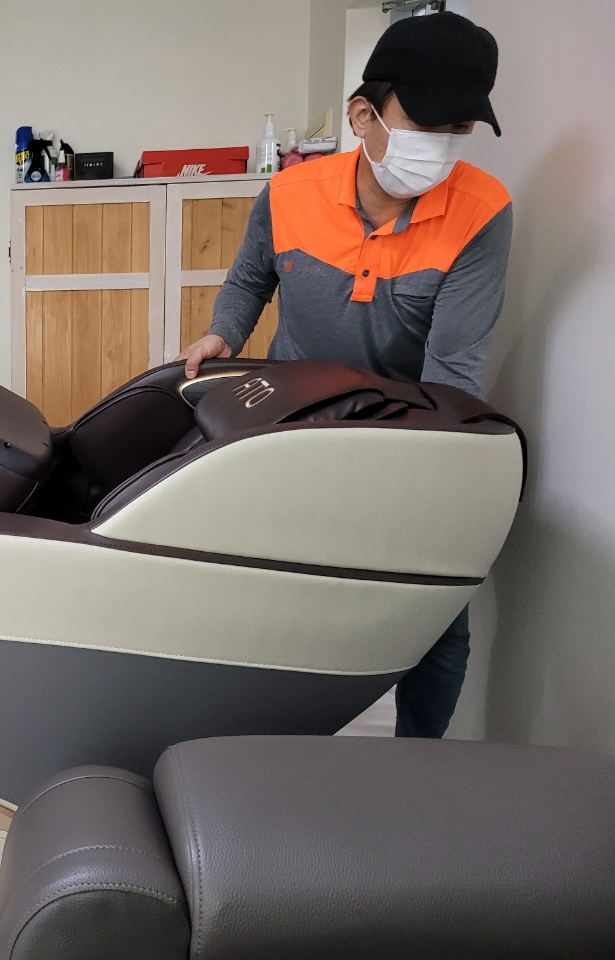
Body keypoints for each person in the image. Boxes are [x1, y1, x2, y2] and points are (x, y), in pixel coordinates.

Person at [176, 12, 511, 739]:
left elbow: (453, 368)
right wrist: (223, 332)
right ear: (364, 115)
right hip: (293, 425)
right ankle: (268, 748)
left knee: (436, 619)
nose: (442, 146)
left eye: (458, 128)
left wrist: (417, 474)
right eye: (426, 125)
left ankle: (418, 761)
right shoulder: (290, 192)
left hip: (410, 432)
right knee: (274, 592)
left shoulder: (482, 213)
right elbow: (250, 278)